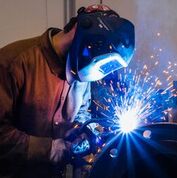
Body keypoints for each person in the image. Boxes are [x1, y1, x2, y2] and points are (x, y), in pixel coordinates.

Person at [0, 4, 135, 178]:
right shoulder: (13, 62)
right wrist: (49, 149)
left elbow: (81, 111)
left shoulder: (81, 67)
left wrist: (82, 131)